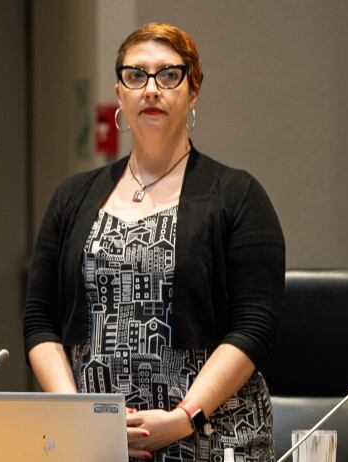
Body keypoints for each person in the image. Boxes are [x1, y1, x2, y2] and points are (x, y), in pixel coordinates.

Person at [24, 23, 284, 461]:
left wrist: (185, 417)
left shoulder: (237, 196)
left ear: (193, 90)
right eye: (136, 75)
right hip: (95, 445)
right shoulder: (72, 197)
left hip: (212, 438)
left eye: (169, 75)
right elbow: (40, 322)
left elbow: (254, 327)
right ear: (119, 92)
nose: (151, 89)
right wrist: (78, 419)